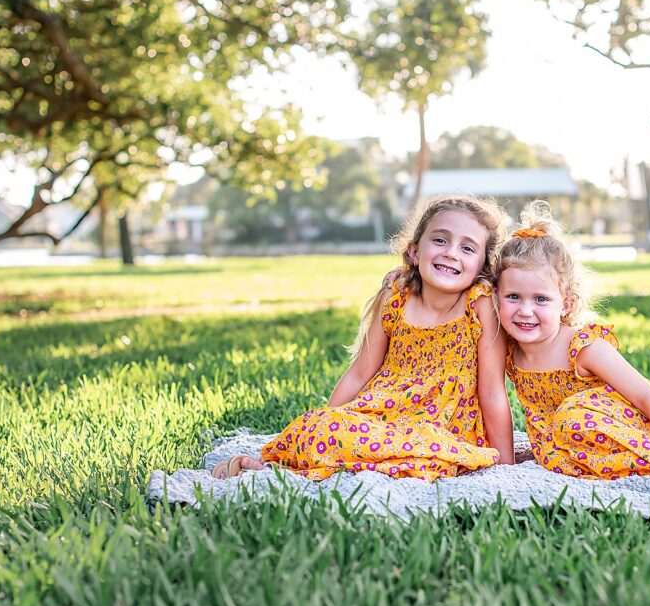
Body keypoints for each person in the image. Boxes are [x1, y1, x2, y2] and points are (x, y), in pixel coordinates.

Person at [213, 194, 514, 481]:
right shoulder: (396, 297)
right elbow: (359, 374)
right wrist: (328, 418)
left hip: (442, 426)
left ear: (482, 266)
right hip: (382, 415)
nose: (450, 252)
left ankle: (380, 459)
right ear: (414, 250)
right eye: (440, 240)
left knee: (428, 448)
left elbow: (492, 390)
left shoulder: (480, 303)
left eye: (467, 248)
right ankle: (287, 463)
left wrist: (506, 464)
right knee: (317, 427)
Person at [495, 202, 650, 479]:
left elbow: (645, 395)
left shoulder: (582, 347)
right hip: (566, 445)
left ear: (566, 304)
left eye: (541, 299)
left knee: (571, 418)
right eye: (513, 296)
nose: (525, 311)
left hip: (633, 428)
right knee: (561, 433)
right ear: (496, 297)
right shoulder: (508, 350)